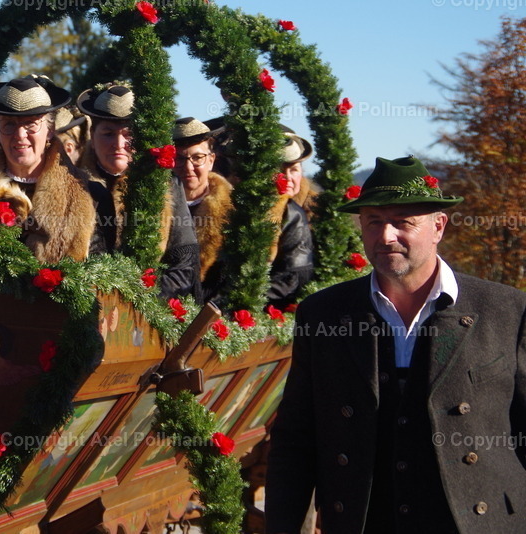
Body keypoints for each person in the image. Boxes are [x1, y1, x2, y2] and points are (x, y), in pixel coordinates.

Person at [266, 156, 526, 534]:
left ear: (438, 226)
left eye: (403, 221)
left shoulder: (506, 309)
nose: (386, 235)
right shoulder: (323, 314)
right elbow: (295, 441)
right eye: (374, 221)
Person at [0, 75, 111, 264]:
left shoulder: (93, 196)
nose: (20, 135)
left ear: (50, 130)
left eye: (31, 124)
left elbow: (101, 280)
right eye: (9, 124)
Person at [77, 84, 200, 300]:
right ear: (92, 138)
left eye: (129, 135)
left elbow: (185, 264)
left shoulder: (167, 184)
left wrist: (144, 300)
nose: (119, 143)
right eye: (108, 134)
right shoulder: (75, 184)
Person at [173, 117, 232, 303]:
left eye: (197, 158)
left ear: (211, 160)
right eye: (179, 159)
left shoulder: (232, 211)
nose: (188, 167)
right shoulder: (155, 208)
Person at [267, 129, 316, 308]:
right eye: (280, 170)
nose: (287, 177)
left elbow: (294, 276)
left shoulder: (308, 212)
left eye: (294, 170)